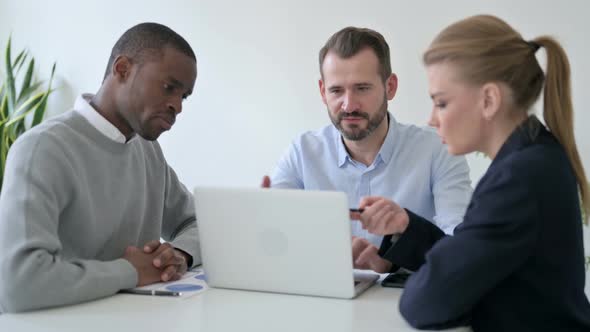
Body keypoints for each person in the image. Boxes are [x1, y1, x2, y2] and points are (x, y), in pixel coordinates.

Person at [355, 15, 590, 331]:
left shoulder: (518, 178)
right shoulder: (534, 154)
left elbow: (425, 304)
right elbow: (475, 257)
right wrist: (407, 228)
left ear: (489, 100)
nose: (432, 119)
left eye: (441, 102)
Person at [0, 22, 201, 313]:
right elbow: (18, 283)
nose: (177, 106)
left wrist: (179, 254)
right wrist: (130, 272)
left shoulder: (148, 151)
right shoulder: (42, 149)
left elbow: (196, 223)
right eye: (169, 87)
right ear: (122, 69)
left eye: (184, 96)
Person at [264, 27, 472, 273]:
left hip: (405, 300)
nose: (349, 105)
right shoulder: (302, 152)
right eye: (336, 90)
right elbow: (273, 237)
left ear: (390, 87)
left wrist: (393, 259)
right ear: (323, 92)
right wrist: (265, 221)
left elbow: (462, 249)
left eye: (362, 88)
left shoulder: (437, 149)